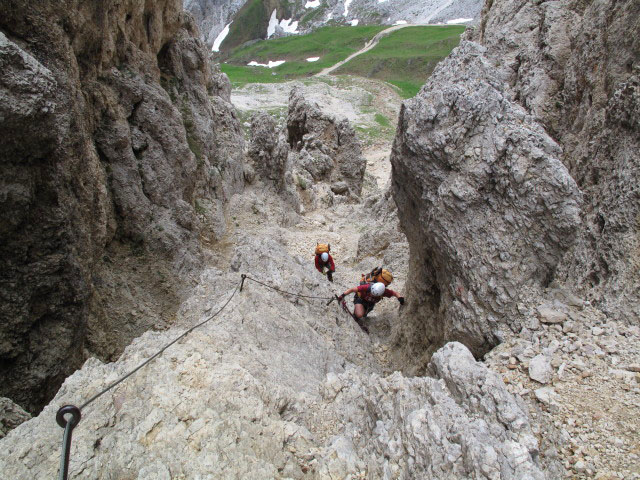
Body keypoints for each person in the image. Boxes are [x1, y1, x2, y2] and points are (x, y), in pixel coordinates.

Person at [338, 282, 404, 320]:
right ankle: (356, 314)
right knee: (359, 315)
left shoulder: (385, 292)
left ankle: (362, 312)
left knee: (363, 315)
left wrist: (400, 298)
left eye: (374, 295)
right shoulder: (366, 287)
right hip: (360, 299)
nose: (372, 295)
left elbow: (395, 293)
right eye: (371, 293)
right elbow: (352, 289)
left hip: (370, 304)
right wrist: (342, 295)